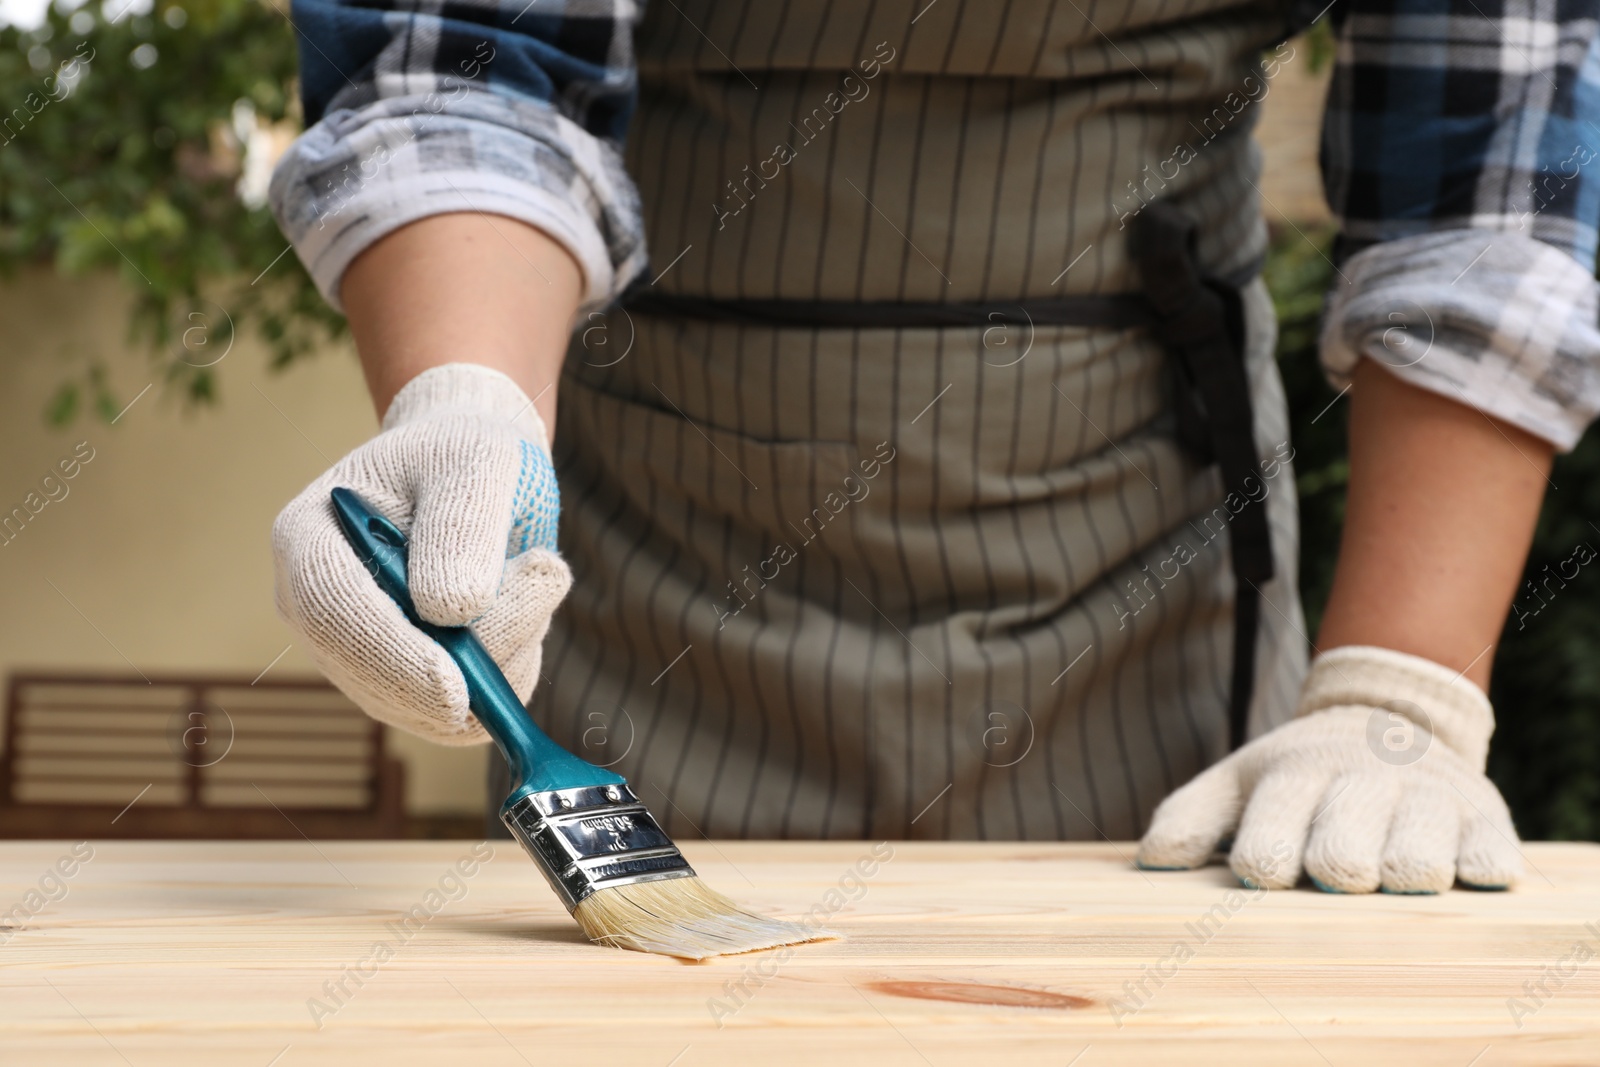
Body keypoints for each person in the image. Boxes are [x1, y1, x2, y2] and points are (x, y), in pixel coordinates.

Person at [268, 0, 1599, 893]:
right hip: (643, 541)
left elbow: (1493, 171)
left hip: (1144, 560)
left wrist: (1398, 690)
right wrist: (464, 394)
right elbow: (465, 62)